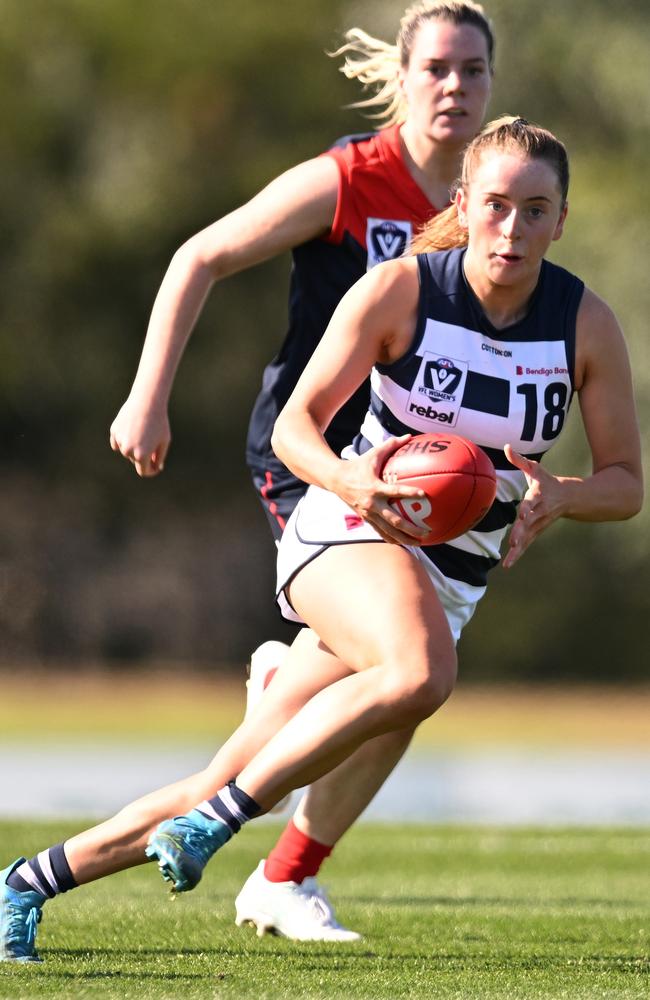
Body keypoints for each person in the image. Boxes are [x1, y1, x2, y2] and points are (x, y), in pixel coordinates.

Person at [1, 116, 642, 962]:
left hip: (450, 580)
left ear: (562, 219)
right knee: (419, 676)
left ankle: (27, 884)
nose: (513, 229)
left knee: (227, 775)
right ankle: (221, 826)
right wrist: (351, 480)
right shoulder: (400, 291)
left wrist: (560, 496)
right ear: (463, 203)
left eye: (535, 210)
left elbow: (626, 485)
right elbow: (299, 429)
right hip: (344, 530)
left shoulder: (584, 323)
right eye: (495, 206)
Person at [110, 0, 492, 942]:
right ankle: (287, 699)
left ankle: (285, 872)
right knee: (399, 667)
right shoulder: (349, 179)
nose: (454, 86)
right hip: (314, 458)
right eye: (437, 67)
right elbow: (199, 254)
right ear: (400, 78)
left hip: (418, 475)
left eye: (473, 70)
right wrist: (147, 395)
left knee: (412, 685)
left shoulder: (492, 201)